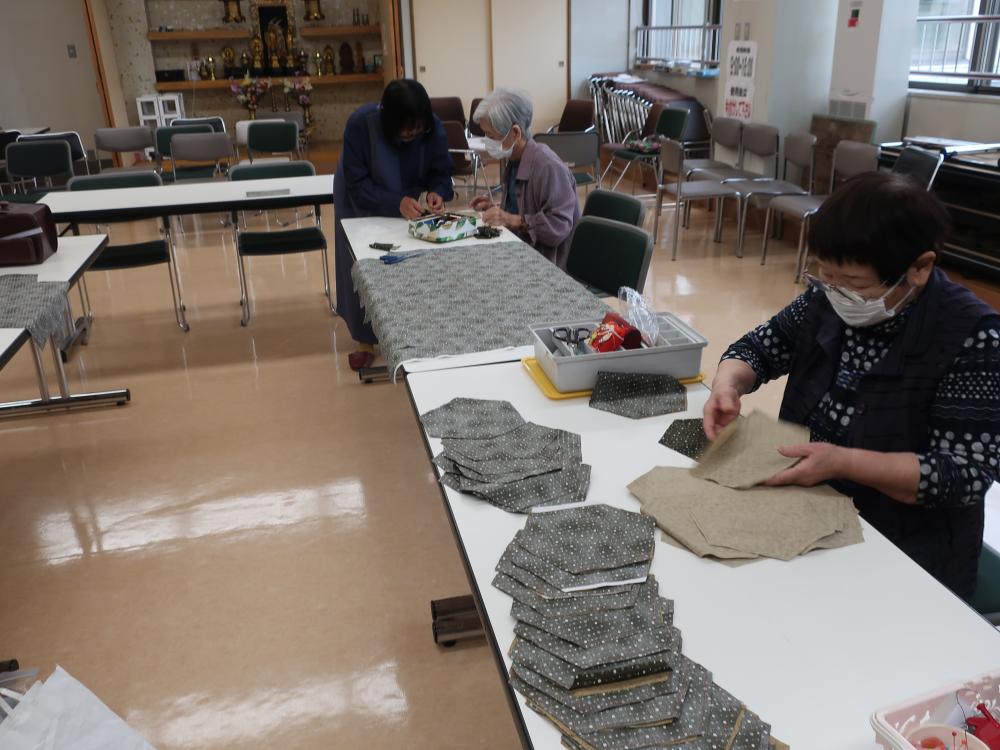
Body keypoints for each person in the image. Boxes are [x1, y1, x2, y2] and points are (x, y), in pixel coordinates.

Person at [705, 172, 1000, 599]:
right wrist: (727, 384)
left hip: (904, 557)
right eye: (827, 276)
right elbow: (759, 348)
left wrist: (844, 462)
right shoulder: (827, 297)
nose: (837, 292)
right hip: (809, 516)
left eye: (855, 284)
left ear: (919, 268)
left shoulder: (972, 335)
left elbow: (964, 474)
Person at [334, 79, 454, 371]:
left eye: (417, 130)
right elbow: (357, 183)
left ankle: (410, 329)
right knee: (363, 262)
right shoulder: (361, 125)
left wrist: (437, 191)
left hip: (407, 197)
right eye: (406, 130)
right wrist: (394, 202)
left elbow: (441, 170)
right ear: (389, 120)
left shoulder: (431, 125)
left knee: (409, 258)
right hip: (360, 197)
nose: (413, 134)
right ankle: (364, 339)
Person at [469, 89, 579, 269]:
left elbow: (558, 227)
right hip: (519, 251)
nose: (486, 142)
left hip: (546, 264)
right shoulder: (514, 160)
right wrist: (495, 209)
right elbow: (522, 208)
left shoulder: (548, 166)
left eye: (490, 136)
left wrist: (509, 219)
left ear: (515, 132)